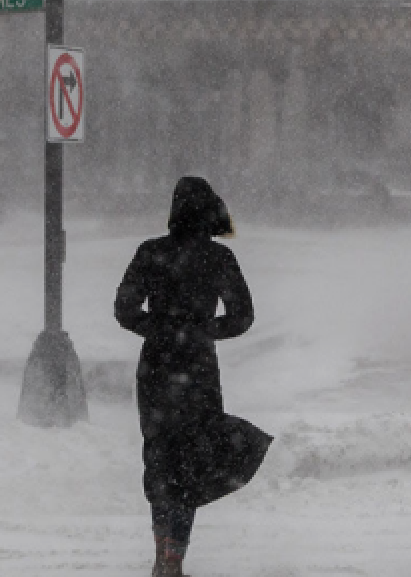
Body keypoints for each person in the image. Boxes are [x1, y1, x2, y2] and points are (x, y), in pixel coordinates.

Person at [115, 176, 272, 577]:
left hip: (156, 366)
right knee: (192, 457)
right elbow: (243, 316)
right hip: (198, 366)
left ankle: (162, 550)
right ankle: (175, 555)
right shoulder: (218, 259)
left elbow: (124, 309)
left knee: (160, 455)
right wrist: (202, 331)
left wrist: (159, 329)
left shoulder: (151, 253)